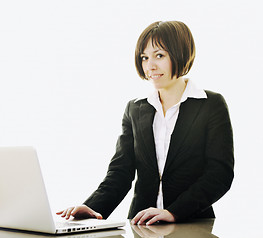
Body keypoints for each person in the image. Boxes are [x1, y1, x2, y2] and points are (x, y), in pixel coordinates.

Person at [57, 20, 234, 226]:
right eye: (144, 57)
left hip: (191, 224)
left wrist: (173, 212)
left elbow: (219, 174)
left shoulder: (210, 105)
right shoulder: (135, 109)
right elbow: (120, 173)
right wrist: (93, 208)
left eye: (159, 55)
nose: (150, 66)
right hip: (141, 226)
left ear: (181, 54)